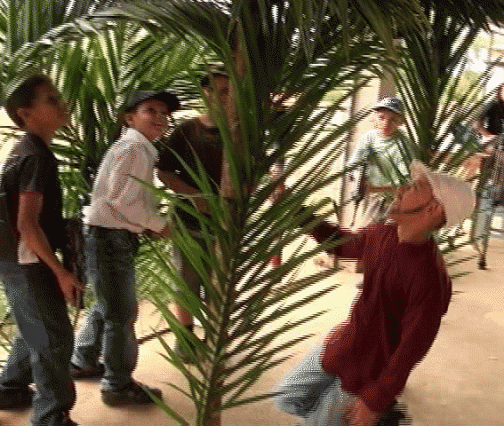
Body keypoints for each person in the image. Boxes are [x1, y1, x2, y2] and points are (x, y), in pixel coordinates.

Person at [273, 160, 475, 426]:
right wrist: (296, 209)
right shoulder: (383, 234)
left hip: (369, 370)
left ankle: (374, 413)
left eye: (414, 187)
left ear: (432, 209)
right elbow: (342, 245)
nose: (400, 189)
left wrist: (375, 399)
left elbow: (411, 348)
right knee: (286, 397)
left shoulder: (429, 279)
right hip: (344, 344)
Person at [69, 90, 178, 406]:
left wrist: (147, 223)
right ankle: (117, 385)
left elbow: (122, 199)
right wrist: (160, 225)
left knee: (109, 304)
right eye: (150, 110)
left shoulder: (135, 147)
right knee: (121, 313)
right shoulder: (135, 149)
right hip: (110, 237)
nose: (160, 117)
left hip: (108, 234)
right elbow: (124, 202)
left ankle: (83, 359)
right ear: (129, 118)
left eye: (164, 113)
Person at [0, 74, 83, 425]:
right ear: (26, 113)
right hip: (27, 260)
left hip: (14, 259)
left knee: (34, 324)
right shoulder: (35, 156)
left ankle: (9, 388)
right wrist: (60, 272)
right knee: (54, 337)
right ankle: (51, 416)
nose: (61, 103)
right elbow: (27, 224)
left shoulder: (27, 150)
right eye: (50, 99)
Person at [155, 66, 230, 361]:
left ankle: (215, 342)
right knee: (187, 284)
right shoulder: (187, 130)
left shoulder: (240, 133)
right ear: (206, 93)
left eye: (229, 92)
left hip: (228, 225)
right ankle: (185, 342)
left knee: (219, 287)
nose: (223, 97)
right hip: (188, 222)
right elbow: (163, 171)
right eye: (217, 91)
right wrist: (194, 196)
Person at [347, 96, 416, 228]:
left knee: (374, 232)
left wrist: (375, 188)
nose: (386, 123)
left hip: (393, 201)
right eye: (381, 117)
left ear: (401, 122)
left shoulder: (403, 145)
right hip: (370, 197)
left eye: (393, 120)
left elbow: (406, 184)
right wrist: (358, 180)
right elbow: (353, 165)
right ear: (374, 118)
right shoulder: (368, 137)